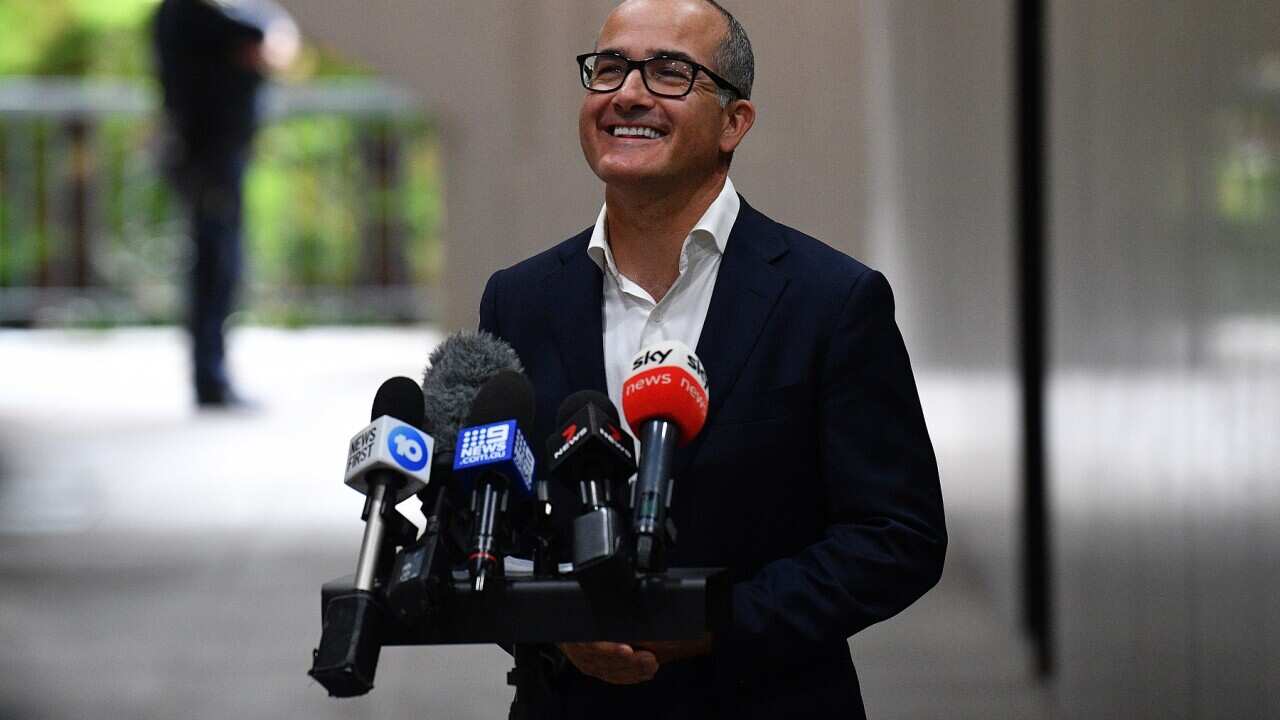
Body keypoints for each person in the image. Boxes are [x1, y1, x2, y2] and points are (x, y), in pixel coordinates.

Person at [477, 1, 946, 717]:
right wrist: (552, 625)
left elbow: (897, 538)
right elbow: (490, 524)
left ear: (735, 122)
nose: (628, 94)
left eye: (669, 72)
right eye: (609, 68)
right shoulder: (518, 299)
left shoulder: (830, 300)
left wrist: (711, 623)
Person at [153, 0, 296, 407]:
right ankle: (210, 376)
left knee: (217, 267)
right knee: (216, 269)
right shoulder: (193, 16)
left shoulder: (187, 16)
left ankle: (211, 374)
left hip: (210, 160)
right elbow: (270, 41)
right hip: (210, 162)